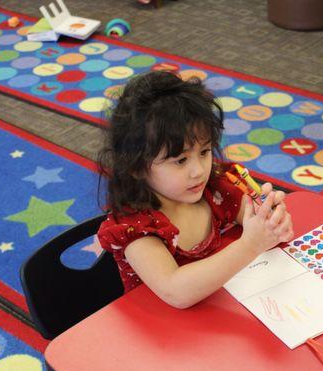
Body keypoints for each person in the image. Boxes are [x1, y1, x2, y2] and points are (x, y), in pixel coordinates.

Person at [97, 71, 294, 308]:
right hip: (162, 335)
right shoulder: (136, 226)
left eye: (204, 152)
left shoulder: (216, 190)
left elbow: (258, 222)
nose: (199, 171)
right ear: (136, 167)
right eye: (180, 160)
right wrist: (251, 244)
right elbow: (175, 291)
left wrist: (272, 222)